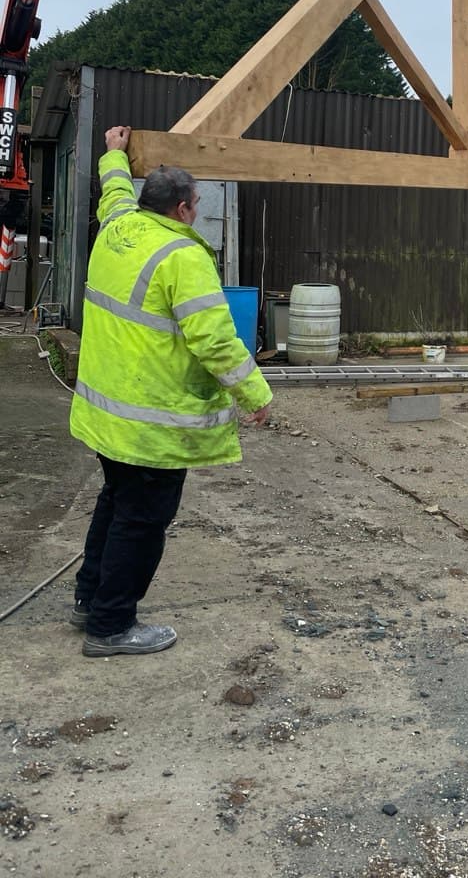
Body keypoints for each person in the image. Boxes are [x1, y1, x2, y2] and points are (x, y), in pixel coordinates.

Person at [69, 126, 272, 656]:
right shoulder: (183, 258)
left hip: (107, 413)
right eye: (196, 205)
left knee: (115, 503)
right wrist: (256, 392)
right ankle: (110, 626)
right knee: (140, 521)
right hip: (151, 424)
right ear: (183, 208)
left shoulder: (117, 227)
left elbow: (113, 191)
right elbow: (215, 339)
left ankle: (92, 600)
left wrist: (114, 154)